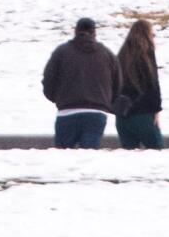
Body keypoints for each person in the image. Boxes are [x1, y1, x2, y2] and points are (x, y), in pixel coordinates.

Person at [42, 17, 120, 149]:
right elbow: (117, 84)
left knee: (63, 158)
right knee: (88, 157)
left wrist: (59, 99)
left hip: (67, 111)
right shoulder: (106, 54)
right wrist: (106, 101)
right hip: (96, 112)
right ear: (94, 32)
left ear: (76, 31)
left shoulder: (61, 52)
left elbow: (48, 81)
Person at [112, 19, 164, 150]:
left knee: (129, 158)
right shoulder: (147, 55)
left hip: (122, 117)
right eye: (152, 35)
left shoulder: (121, 56)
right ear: (147, 36)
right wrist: (156, 110)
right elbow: (153, 86)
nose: (154, 38)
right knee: (157, 153)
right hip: (143, 114)